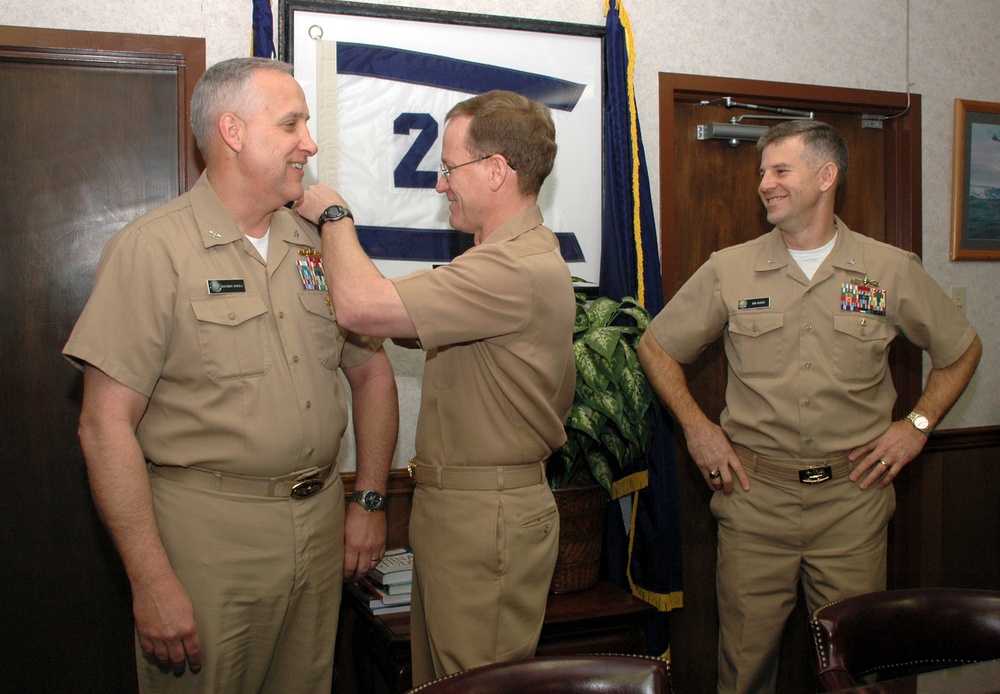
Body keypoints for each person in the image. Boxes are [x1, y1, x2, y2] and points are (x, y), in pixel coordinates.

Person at [63, 57, 399, 693]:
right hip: (209, 538)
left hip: (320, 525)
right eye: (291, 123)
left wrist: (371, 499)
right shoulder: (154, 248)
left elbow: (372, 373)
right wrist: (152, 579)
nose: (311, 142)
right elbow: (102, 426)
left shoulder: (317, 243)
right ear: (233, 131)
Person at [637, 119, 982, 694]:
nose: (763, 184)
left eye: (779, 170)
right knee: (743, 672)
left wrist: (916, 425)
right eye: (761, 173)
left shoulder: (889, 269)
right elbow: (657, 346)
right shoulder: (731, 267)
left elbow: (962, 348)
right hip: (754, 503)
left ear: (826, 176)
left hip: (853, 503)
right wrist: (698, 429)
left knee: (859, 668)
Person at [294, 89, 576, 685]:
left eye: (449, 169)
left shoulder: (513, 268)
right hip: (462, 512)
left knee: (474, 683)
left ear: (497, 170)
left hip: (486, 518)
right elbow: (403, 327)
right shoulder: (498, 260)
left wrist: (334, 217)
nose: (441, 184)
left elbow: (362, 308)